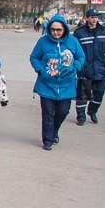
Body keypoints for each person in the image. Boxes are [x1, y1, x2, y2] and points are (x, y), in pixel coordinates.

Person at [29, 15, 85, 151]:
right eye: (53, 29)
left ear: (64, 29)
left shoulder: (73, 41)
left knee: (63, 111)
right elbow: (34, 57)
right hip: (47, 85)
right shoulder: (43, 42)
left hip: (66, 85)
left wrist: (75, 67)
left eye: (59, 30)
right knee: (47, 113)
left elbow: (80, 57)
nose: (56, 33)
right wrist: (40, 69)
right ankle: (47, 140)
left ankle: (54, 131)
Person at [73, 8, 105, 125]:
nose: (94, 19)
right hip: (85, 69)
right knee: (82, 94)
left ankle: (92, 111)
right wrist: (82, 64)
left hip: (101, 69)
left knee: (99, 94)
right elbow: (75, 50)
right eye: (92, 17)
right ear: (87, 18)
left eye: (96, 17)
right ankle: (81, 116)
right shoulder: (79, 32)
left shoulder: (104, 31)